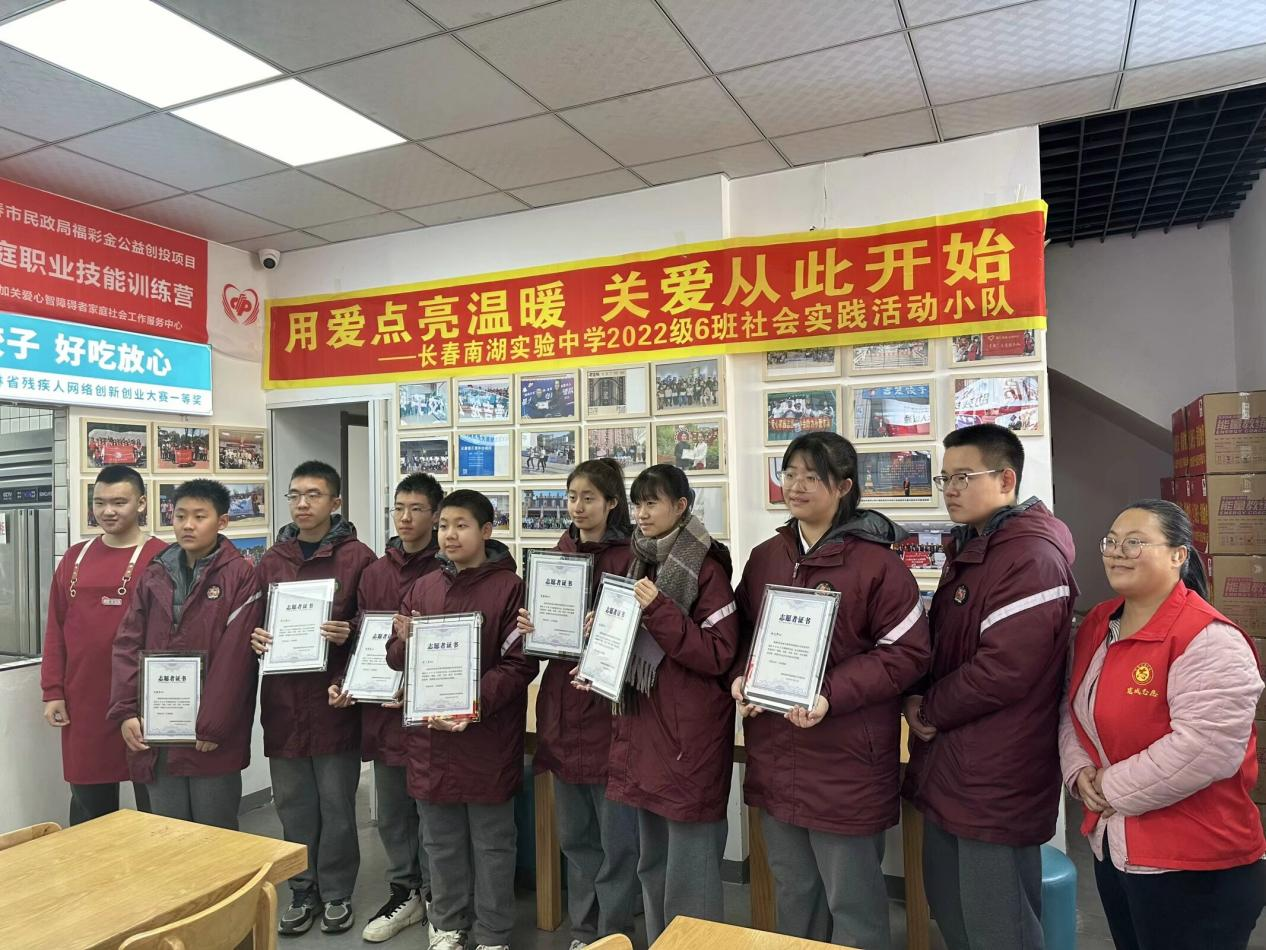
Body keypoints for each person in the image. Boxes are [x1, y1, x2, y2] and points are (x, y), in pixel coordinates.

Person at [731, 432, 930, 950]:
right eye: (789, 473)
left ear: (843, 486)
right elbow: (743, 632)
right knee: (794, 894)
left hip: (846, 763)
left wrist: (829, 694)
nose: (796, 486)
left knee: (854, 905)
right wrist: (745, 676)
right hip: (778, 755)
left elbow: (907, 653)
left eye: (811, 477)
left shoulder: (879, 565)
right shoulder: (766, 557)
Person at [1060, 500, 1266, 950]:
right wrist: (1079, 771)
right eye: (1112, 542)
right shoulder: (1099, 623)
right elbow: (1072, 706)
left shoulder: (1210, 639)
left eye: (1135, 542)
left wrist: (1109, 787)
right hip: (1115, 849)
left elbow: (1205, 749)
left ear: (1178, 555)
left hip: (1195, 864)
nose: (1118, 552)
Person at [902, 423, 1078, 950]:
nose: (950, 489)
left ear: (1006, 479)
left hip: (997, 773)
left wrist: (929, 709)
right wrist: (915, 694)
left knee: (999, 925)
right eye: (944, 478)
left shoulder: (1030, 557)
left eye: (963, 477)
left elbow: (1003, 669)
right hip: (957, 764)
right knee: (953, 908)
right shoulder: (978, 546)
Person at [387, 489, 538, 950]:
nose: (449, 535)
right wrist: (402, 641)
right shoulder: (424, 587)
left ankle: (492, 933)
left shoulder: (510, 588)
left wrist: (472, 704)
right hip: (431, 742)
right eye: (444, 526)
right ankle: (448, 925)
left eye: (461, 526)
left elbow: (520, 663)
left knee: (493, 844)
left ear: (486, 531)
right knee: (440, 841)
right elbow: (395, 658)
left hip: (486, 740)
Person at [602, 464, 739, 943]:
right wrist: (601, 637)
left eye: (652, 503)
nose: (641, 514)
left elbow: (718, 654)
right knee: (653, 864)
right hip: (644, 730)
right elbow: (633, 641)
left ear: (681, 506)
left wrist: (658, 609)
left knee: (690, 872)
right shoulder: (639, 561)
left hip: (687, 738)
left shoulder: (707, 567)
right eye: (637, 503)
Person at [517, 459, 639, 950]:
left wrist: (609, 625)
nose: (578, 507)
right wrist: (531, 629)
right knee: (575, 838)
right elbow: (539, 644)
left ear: (612, 503)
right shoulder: (556, 556)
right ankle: (585, 932)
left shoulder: (633, 557)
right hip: (563, 709)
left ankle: (614, 932)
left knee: (618, 842)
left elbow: (645, 639)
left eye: (589, 498)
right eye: (572, 497)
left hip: (610, 712)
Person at [251, 460, 376, 936]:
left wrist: (350, 632)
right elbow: (252, 623)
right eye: (295, 495)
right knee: (293, 804)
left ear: (335, 502)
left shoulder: (358, 558)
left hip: (332, 701)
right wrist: (255, 638)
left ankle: (338, 891)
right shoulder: (271, 560)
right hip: (283, 703)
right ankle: (302, 890)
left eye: (314, 495)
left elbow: (375, 625)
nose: (302, 504)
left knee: (337, 804)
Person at [108, 479, 263, 829]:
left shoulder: (241, 576)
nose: (188, 525)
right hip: (157, 729)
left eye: (199, 516)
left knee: (215, 833)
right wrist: (125, 711)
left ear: (222, 522)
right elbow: (127, 642)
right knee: (167, 833)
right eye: (180, 516)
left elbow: (235, 659)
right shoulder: (155, 572)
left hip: (211, 735)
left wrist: (212, 725)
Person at [330, 474, 444, 943]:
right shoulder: (375, 572)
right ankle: (405, 892)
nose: (405, 517)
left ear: (436, 515)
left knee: (434, 816)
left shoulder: (449, 568)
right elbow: (363, 636)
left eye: (416, 508)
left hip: (432, 713)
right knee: (394, 813)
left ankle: (440, 899)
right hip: (383, 712)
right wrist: (346, 682)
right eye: (399, 508)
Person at [41, 465, 165, 825]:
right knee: (88, 806)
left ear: (141, 503)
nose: (108, 511)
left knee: (157, 803)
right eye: (99, 502)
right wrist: (53, 691)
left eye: (119, 502)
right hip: (84, 700)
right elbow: (56, 631)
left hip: (144, 699)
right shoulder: (75, 558)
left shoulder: (162, 557)